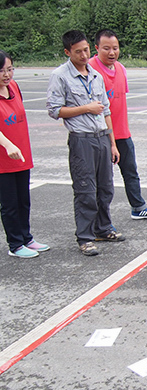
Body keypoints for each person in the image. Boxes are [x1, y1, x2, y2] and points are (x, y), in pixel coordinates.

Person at [47, 30, 124, 256]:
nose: (83, 55)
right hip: (81, 140)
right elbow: (54, 110)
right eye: (78, 51)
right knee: (85, 190)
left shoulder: (96, 75)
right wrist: (86, 108)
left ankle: (103, 228)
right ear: (67, 52)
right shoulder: (61, 75)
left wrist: (113, 143)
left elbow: (106, 110)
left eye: (86, 50)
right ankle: (85, 237)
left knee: (105, 188)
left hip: (101, 137)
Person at [89, 30, 147, 221]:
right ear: (97, 48)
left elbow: (119, 103)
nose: (111, 52)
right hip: (101, 134)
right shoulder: (91, 70)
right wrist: (110, 138)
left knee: (130, 171)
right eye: (106, 48)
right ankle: (100, 220)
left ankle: (138, 207)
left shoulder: (120, 68)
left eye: (115, 48)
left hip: (122, 132)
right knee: (102, 180)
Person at [0, 50, 50, 258]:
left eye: (10, 69)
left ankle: (26, 237)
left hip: (22, 156)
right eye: (1, 71)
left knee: (23, 200)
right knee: (9, 204)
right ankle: (15, 244)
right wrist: (7, 145)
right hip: (4, 160)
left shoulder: (14, 87)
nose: (7, 75)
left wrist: (18, 147)